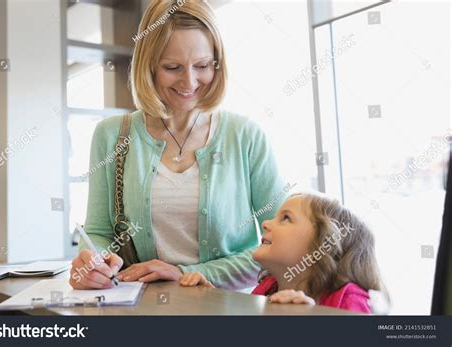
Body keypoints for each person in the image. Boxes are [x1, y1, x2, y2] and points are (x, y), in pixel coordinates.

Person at [69, 0, 285, 290]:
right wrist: (93, 261)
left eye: (202, 65)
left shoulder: (245, 136)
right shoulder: (111, 136)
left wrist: (186, 272)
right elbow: (98, 232)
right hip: (142, 312)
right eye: (173, 67)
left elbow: (283, 250)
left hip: (228, 313)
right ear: (149, 67)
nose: (190, 81)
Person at [180, 193, 388, 313]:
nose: (265, 223)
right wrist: (209, 299)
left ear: (323, 243)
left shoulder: (350, 302)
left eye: (285, 218)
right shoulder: (268, 287)